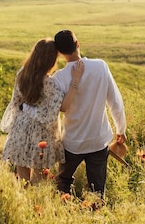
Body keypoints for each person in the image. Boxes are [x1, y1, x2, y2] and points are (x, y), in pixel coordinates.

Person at [52, 29, 127, 198]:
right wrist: (121, 129)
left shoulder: (59, 78)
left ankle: (63, 209)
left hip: (72, 142)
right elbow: (115, 102)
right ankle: (96, 212)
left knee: (63, 180)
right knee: (97, 188)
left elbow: (55, 111)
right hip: (98, 140)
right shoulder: (100, 66)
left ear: (59, 53)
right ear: (77, 44)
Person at [0, 38, 84, 185]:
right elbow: (51, 115)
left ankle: (21, 205)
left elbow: (16, 102)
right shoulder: (50, 85)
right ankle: (35, 206)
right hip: (42, 136)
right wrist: (74, 82)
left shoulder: (22, 74)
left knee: (22, 180)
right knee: (39, 180)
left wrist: (25, 109)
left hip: (20, 130)